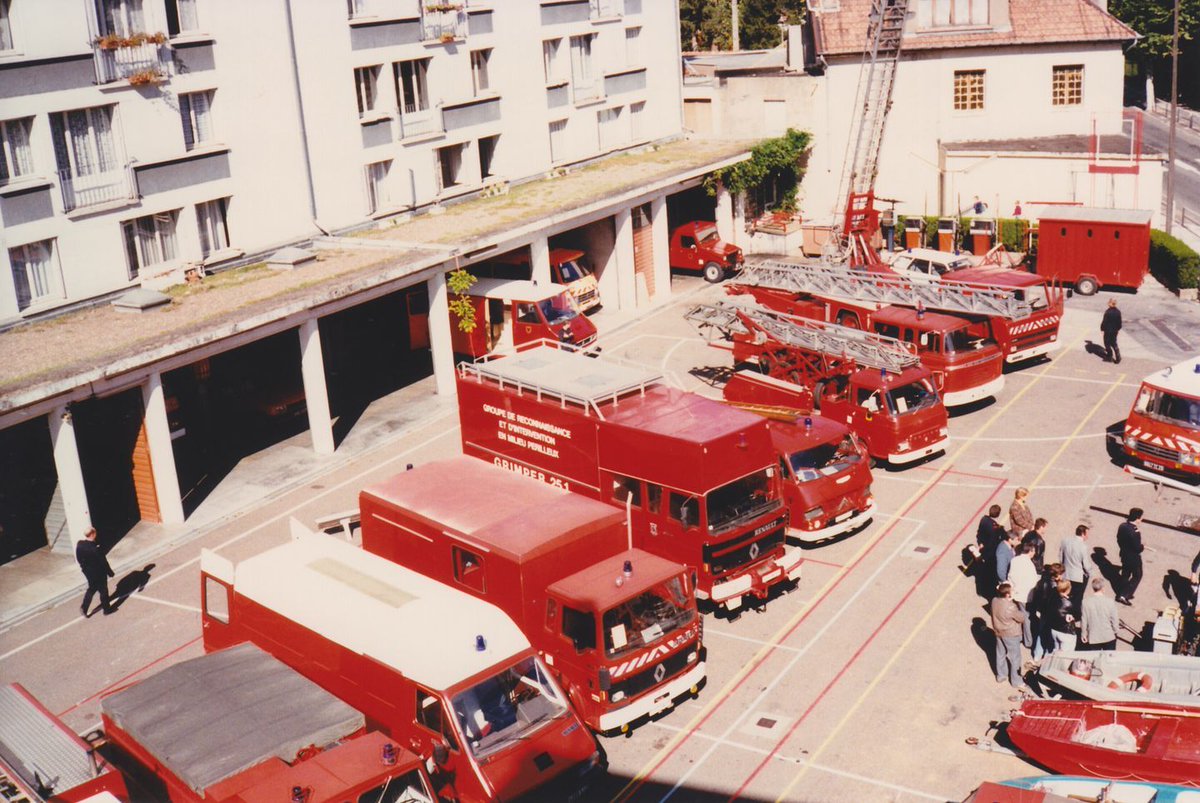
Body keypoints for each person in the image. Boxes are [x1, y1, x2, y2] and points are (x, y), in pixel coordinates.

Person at [990, 582, 1027, 690]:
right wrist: (1012, 603)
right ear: (1007, 594)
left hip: (998, 631)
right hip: (1011, 634)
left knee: (1000, 653)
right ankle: (1016, 681)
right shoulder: (1010, 607)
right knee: (1015, 658)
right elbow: (1021, 618)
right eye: (1011, 591)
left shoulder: (994, 600)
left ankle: (1001, 675)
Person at [1030, 563, 1066, 663]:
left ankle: (1037, 655)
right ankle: (1047, 655)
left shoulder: (1042, 582)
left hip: (1043, 611)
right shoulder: (1055, 586)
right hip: (1051, 613)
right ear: (1057, 575)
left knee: (1041, 633)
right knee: (1050, 635)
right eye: (1061, 574)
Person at [1008, 543, 1040, 654]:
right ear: (1030, 551)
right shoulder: (1030, 565)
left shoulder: (1014, 560)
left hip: (1016, 593)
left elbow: (1010, 576)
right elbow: (1033, 583)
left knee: (1018, 616)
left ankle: (1019, 636)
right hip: (1025, 596)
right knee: (1027, 619)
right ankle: (1028, 641)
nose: (1034, 553)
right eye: (1033, 551)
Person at [76, 527, 114, 617]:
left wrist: (84, 567)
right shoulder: (96, 548)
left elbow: (79, 558)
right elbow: (103, 562)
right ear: (92, 534)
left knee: (92, 588)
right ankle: (106, 609)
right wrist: (110, 572)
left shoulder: (80, 544)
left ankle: (84, 607)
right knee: (103, 590)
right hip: (99, 572)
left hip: (88, 572)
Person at [1059, 524, 1094, 608]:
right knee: (1077, 597)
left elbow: (1060, 556)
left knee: (1066, 594)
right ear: (1083, 534)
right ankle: (1074, 612)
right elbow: (1085, 565)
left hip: (1066, 573)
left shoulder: (1065, 541)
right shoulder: (1083, 546)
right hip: (1078, 577)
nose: (1087, 537)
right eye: (1087, 534)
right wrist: (1090, 573)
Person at [1080, 577, 1120, 651]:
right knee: (1109, 657)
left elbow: (1084, 620)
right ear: (1103, 588)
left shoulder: (1085, 602)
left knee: (1094, 657)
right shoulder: (1110, 601)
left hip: (1093, 637)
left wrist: (1084, 634)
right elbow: (1115, 619)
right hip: (1108, 636)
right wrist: (1116, 631)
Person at [975, 504, 1006, 596]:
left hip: (983, 548)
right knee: (991, 570)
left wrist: (980, 543)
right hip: (990, 552)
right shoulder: (994, 528)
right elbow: (992, 542)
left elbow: (979, 533)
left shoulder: (984, 519)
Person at [1115, 507, 1144, 606]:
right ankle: (1124, 595)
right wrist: (1142, 546)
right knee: (1137, 575)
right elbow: (1137, 548)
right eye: (1140, 517)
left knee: (1125, 574)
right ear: (1137, 518)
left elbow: (1118, 539)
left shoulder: (1122, 526)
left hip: (1124, 554)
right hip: (1133, 558)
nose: (1141, 519)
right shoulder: (1135, 532)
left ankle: (1121, 591)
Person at [1044, 579, 1079, 653]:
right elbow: (1078, 614)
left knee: (1056, 651)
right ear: (1068, 590)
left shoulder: (1052, 597)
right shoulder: (1069, 603)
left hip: (1054, 630)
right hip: (1066, 632)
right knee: (1066, 655)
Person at [1101, 298, 1122, 364]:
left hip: (1108, 330)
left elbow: (1104, 321)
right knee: (1114, 343)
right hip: (1115, 330)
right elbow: (1119, 322)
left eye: (1109, 302)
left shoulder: (1108, 312)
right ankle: (1118, 357)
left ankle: (1109, 355)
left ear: (1110, 303)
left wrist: (1102, 328)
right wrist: (1118, 329)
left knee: (1106, 343)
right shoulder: (1118, 312)